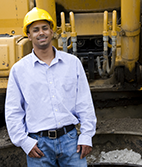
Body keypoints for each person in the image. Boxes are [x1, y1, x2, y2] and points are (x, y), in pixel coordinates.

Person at [5, 7, 97, 167]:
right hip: (38, 145)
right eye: (35, 30)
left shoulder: (72, 64)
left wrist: (86, 135)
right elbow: (13, 111)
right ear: (28, 35)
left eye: (45, 28)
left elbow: (84, 103)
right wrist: (24, 142)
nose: (41, 33)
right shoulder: (19, 70)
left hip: (71, 142)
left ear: (52, 31)